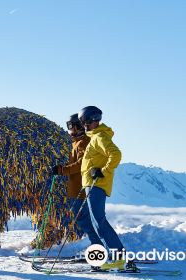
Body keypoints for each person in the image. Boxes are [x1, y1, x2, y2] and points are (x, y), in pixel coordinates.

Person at [78, 106, 135, 271]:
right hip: (91, 185)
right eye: (82, 122)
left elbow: (116, 154)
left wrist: (103, 171)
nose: (84, 125)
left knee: (99, 223)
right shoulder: (96, 136)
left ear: (94, 120)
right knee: (97, 223)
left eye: (86, 121)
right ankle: (116, 257)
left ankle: (119, 258)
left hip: (96, 185)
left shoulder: (100, 137)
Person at [52, 114, 103, 247]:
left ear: (78, 126)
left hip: (79, 189)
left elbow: (82, 163)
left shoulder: (83, 142)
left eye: (70, 126)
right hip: (75, 188)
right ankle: (97, 246)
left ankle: (98, 248)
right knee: (83, 219)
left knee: (84, 220)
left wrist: (63, 170)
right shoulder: (77, 142)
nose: (69, 130)